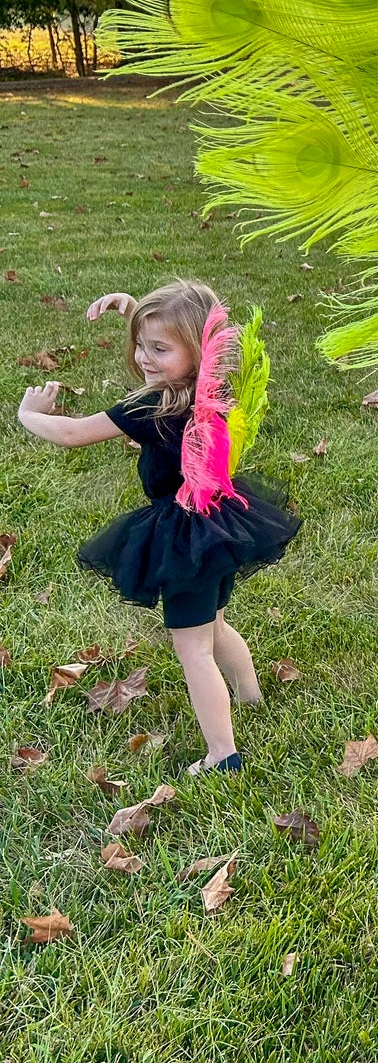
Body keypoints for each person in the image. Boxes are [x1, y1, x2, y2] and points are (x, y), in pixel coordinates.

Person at [16, 280, 299, 775]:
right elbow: (173, 339)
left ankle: (222, 753)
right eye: (140, 345)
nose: (144, 358)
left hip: (184, 536)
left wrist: (28, 414)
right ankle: (251, 697)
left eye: (159, 349)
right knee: (215, 625)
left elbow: (72, 433)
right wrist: (131, 308)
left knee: (192, 649)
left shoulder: (153, 406)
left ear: (196, 348)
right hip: (221, 523)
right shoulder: (209, 390)